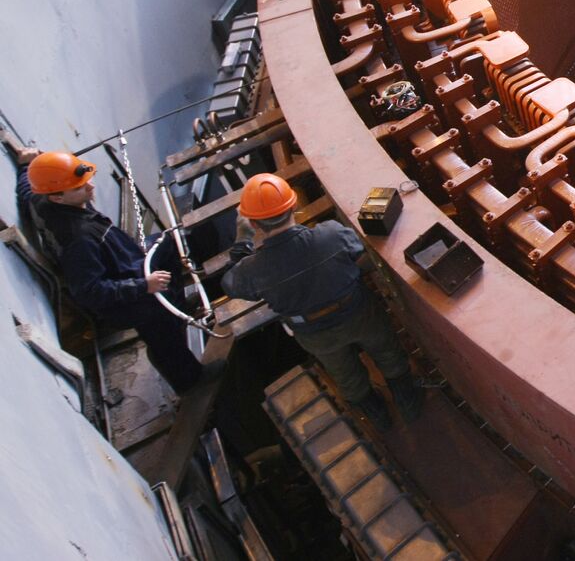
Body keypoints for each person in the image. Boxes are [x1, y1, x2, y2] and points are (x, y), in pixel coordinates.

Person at [224, 173, 423, 429]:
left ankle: (378, 417)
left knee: (345, 375)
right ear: (293, 206)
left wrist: (242, 241)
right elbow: (358, 250)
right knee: (387, 351)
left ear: (254, 224)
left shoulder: (252, 270)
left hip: (314, 332)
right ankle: (408, 402)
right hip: (357, 312)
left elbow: (230, 283)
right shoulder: (330, 235)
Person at [22, 151, 204, 393]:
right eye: (79, 188)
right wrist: (144, 286)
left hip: (125, 262)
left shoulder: (41, 198)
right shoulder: (80, 241)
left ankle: (177, 307)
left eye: (86, 181)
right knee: (160, 321)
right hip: (123, 297)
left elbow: (25, 188)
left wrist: (26, 164)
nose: (90, 187)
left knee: (166, 243)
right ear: (57, 198)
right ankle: (188, 379)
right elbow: (90, 292)